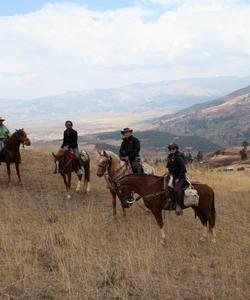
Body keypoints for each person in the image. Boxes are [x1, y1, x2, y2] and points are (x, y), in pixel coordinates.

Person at [166, 143, 189, 216]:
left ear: (176, 149)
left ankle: (179, 206)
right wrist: (168, 171)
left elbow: (183, 169)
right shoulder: (170, 156)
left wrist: (178, 178)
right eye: (170, 149)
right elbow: (168, 166)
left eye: (173, 148)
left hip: (180, 177)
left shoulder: (178, 157)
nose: (171, 150)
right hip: (172, 176)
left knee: (176, 190)